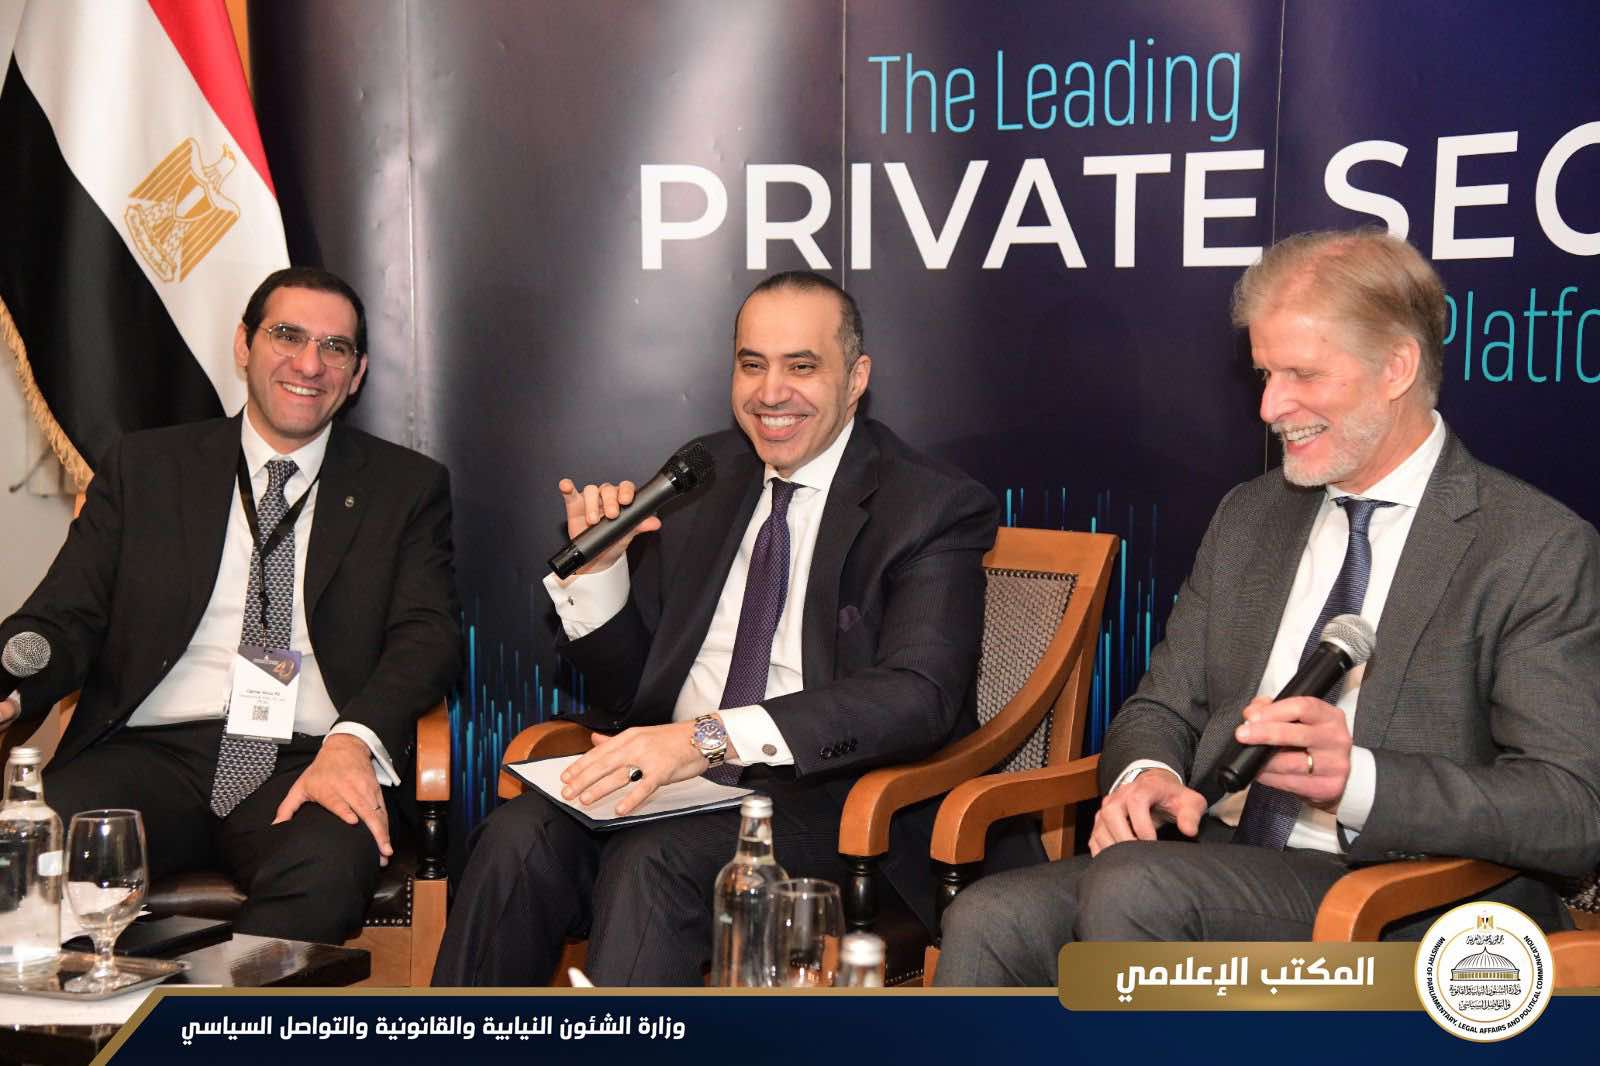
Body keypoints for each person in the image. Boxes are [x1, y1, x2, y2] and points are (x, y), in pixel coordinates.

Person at [934, 229, 1600, 986]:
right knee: (990, 916)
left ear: (1396, 367)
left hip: (1412, 903)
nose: (1270, 406)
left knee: (1137, 888)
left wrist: (1360, 779)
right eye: (1264, 373)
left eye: (1301, 374)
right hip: (1218, 862)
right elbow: (1161, 707)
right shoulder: (1250, 515)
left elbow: (1572, 808)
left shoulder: (1533, 546)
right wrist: (1147, 775)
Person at [432, 270, 999, 986]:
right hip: (672, 778)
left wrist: (705, 739)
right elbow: (631, 694)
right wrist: (603, 573)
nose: (770, 393)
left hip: (832, 797)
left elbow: (919, 695)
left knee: (653, 862)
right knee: (517, 838)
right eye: (751, 364)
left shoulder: (929, 504)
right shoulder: (705, 474)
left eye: (802, 367)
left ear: (856, 379)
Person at [0, 267, 461, 945]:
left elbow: (428, 636)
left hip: (307, 756)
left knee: (327, 867)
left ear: (357, 374)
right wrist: (11, 682)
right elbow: (64, 618)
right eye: (288, 336)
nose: (310, 364)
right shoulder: (145, 468)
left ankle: (223, 1011)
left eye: (335, 348)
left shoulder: (405, 488)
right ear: (244, 344)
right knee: (40, 850)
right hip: (149, 751)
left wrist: (353, 741)